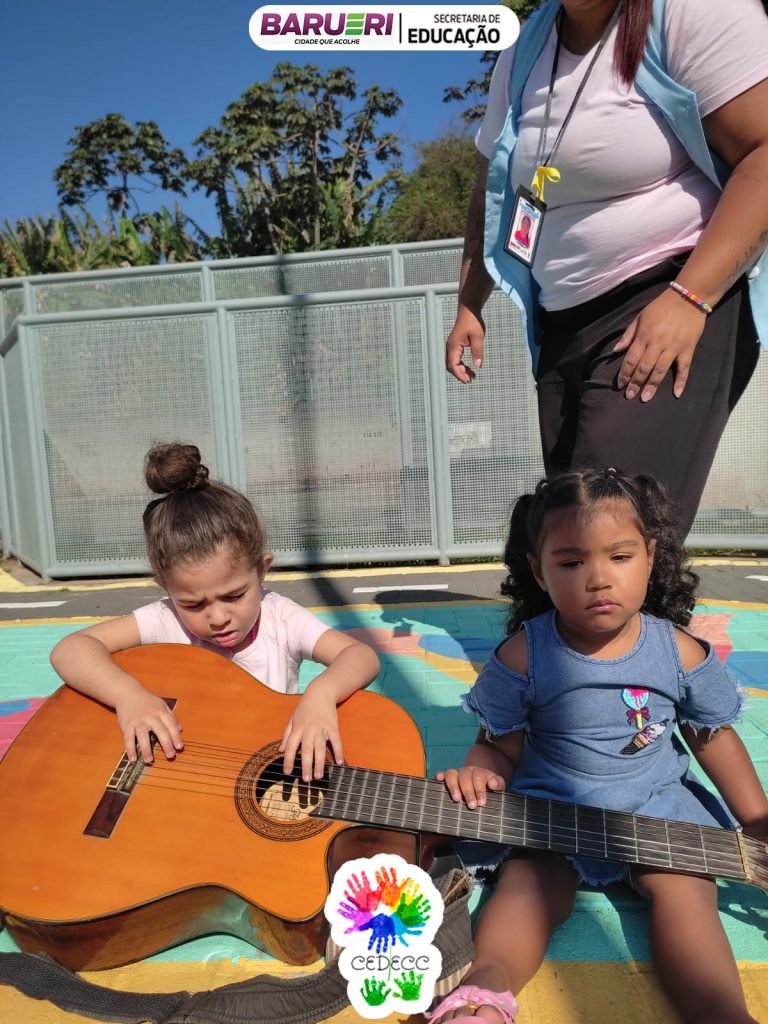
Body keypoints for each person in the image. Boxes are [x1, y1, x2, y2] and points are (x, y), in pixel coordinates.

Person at [430, 468, 768, 1024]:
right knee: (525, 887)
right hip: (552, 808)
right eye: (571, 563)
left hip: (655, 806)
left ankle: (721, 1012)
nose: (598, 579)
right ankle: (484, 992)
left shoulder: (677, 651)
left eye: (620, 556)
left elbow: (713, 738)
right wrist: (478, 770)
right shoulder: (522, 656)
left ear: (650, 557)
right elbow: (498, 746)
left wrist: (755, 818)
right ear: (538, 571)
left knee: (688, 890)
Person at [445, 0, 768, 536]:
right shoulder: (524, 51)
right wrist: (469, 300)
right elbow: (493, 187)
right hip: (560, 326)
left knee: (605, 532)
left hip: (668, 298)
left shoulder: (688, 11)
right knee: (571, 536)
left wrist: (689, 298)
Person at [50, 442, 380, 782]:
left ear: (261, 571)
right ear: (166, 587)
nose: (218, 617)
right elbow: (70, 649)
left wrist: (321, 694)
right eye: (193, 604)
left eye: (234, 596)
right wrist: (128, 696)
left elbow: (360, 656)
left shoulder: (280, 618)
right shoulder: (165, 619)